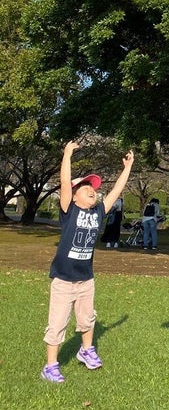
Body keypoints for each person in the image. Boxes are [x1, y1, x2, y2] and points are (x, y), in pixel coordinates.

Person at [41, 142, 134, 383]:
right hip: (63, 279)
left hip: (86, 279)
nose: (93, 190)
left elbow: (116, 191)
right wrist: (67, 154)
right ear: (74, 195)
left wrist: (127, 168)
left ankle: (86, 350)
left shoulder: (98, 212)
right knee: (57, 324)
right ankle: (50, 366)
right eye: (85, 188)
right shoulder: (68, 210)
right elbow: (64, 182)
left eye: (93, 188)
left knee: (87, 319)